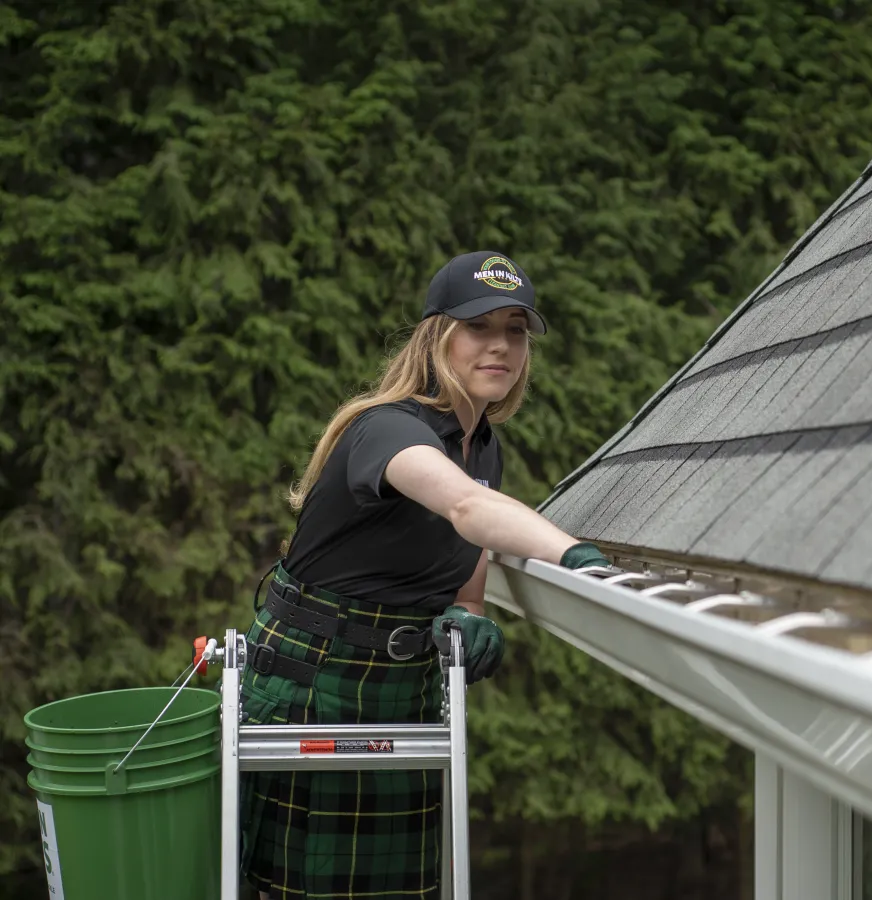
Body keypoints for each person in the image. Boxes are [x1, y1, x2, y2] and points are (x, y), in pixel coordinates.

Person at [238, 250, 612, 899]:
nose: (500, 346)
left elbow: (468, 546)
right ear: (437, 335)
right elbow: (467, 507)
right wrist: (579, 559)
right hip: (317, 682)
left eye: (516, 330)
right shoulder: (387, 429)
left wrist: (469, 611)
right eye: (480, 327)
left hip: (399, 686)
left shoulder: (482, 445)